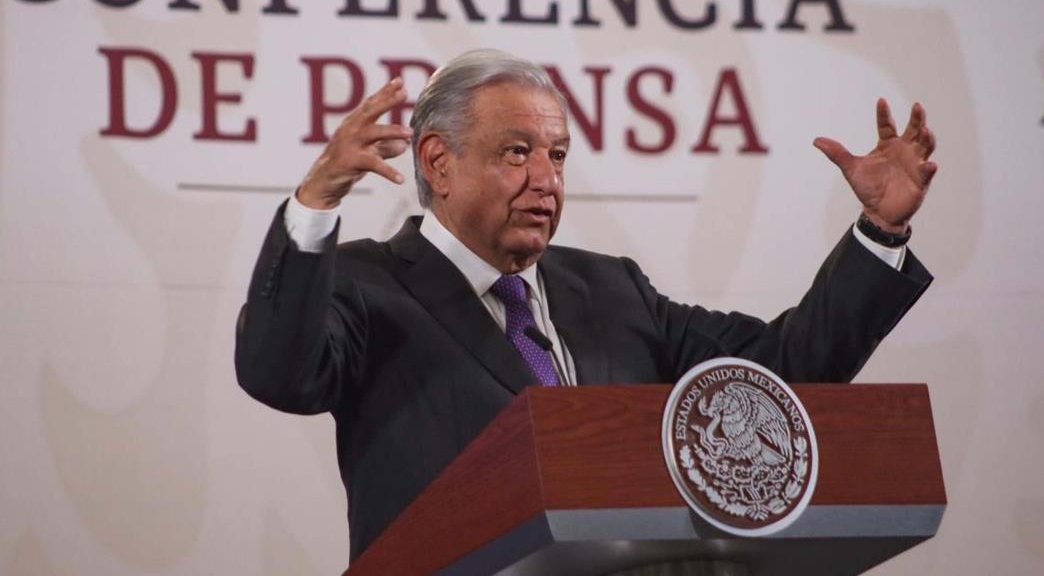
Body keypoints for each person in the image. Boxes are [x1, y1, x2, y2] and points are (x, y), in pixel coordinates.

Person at [235, 49, 937, 561]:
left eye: (560, 155)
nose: (547, 179)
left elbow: (782, 374)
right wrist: (316, 202)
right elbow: (278, 372)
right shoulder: (367, 285)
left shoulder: (612, 290)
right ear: (438, 162)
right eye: (517, 152)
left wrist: (880, 234)